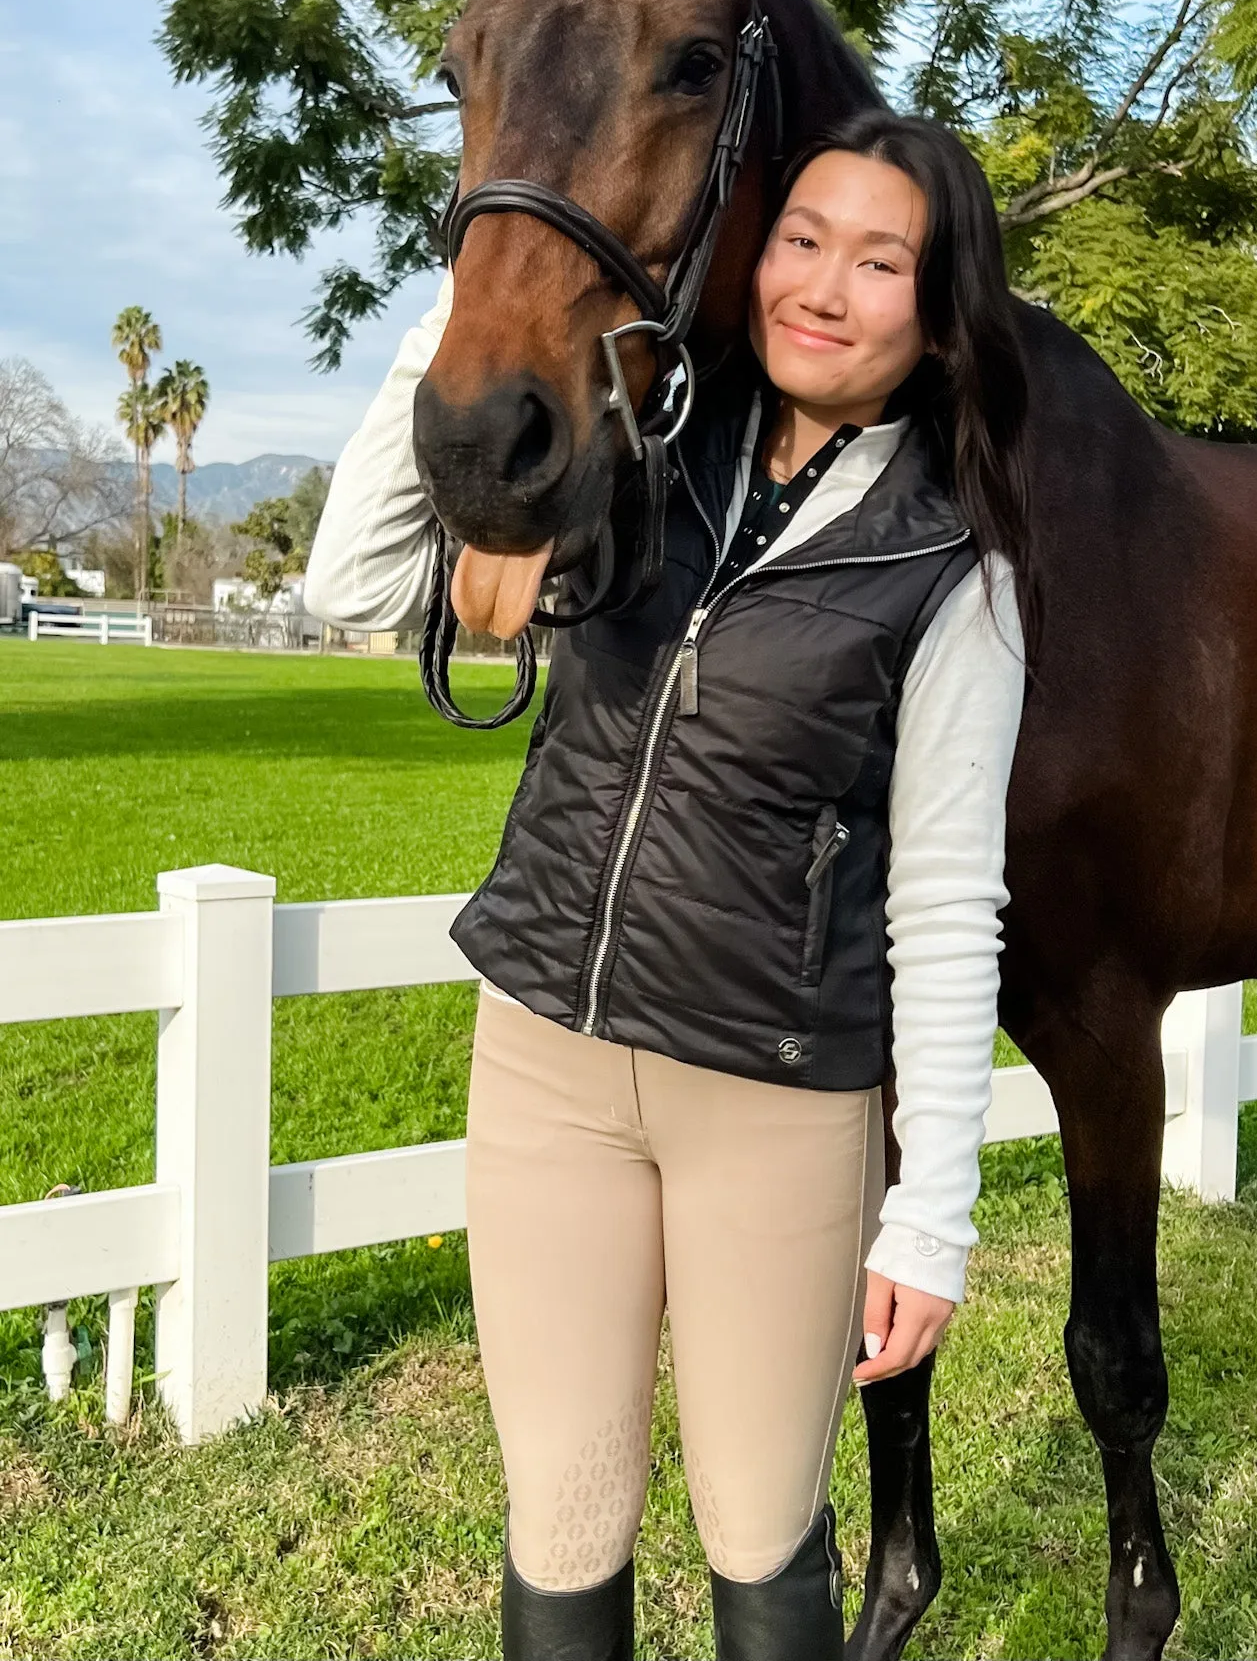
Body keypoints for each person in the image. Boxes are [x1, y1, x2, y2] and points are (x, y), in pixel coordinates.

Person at [304, 110, 1029, 1661]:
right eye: (801, 240)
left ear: (939, 301)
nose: (824, 287)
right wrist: (494, 282)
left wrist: (936, 1221)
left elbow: (951, 903)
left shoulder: (953, 570)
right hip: (548, 1071)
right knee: (560, 1523)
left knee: (761, 1534)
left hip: (773, 1105)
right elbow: (357, 583)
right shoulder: (637, 453)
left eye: (879, 258)